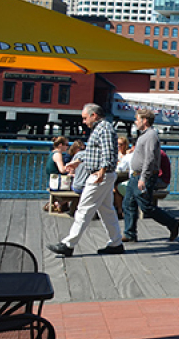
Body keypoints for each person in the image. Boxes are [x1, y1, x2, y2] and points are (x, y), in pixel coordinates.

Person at [48, 103, 125, 257]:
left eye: (85, 118)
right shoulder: (101, 128)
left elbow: (109, 152)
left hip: (99, 175)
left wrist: (102, 170)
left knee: (84, 209)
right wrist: (79, 161)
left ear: (93, 115)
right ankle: (116, 243)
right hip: (103, 175)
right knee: (107, 210)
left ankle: (68, 244)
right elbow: (94, 152)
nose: (83, 121)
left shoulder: (104, 129)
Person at [122, 108, 179, 243]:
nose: (135, 122)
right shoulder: (144, 135)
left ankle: (172, 223)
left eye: (137, 119)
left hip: (143, 177)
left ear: (144, 121)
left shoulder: (151, 136)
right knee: (128, 203)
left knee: (146, 207)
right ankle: (129, 233)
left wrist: (144, 178)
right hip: (135, 176)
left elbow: (149, 159)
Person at [44, 137, 72, 212]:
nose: (67, 147)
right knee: (78, 188)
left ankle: (57, 203)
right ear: (60, 145)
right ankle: (58, 203)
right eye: (66, 144)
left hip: (52, 182)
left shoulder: (52, 153)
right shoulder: (58, 154)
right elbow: (62, 170)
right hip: (57, 184)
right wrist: (71, 166)